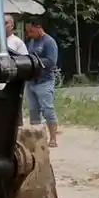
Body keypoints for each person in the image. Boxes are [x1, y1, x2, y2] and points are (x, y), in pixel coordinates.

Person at [24, 18, 60, 147]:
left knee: (47, 109)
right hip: (31, 81)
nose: (30, 34)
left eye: (32, 31)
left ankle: (53, 138)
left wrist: (35, 63)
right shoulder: (32, 42)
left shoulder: (49, 42)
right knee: (33, 110)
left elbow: (51, 62)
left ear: (39, 27)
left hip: (44, 81)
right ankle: (37, 138)